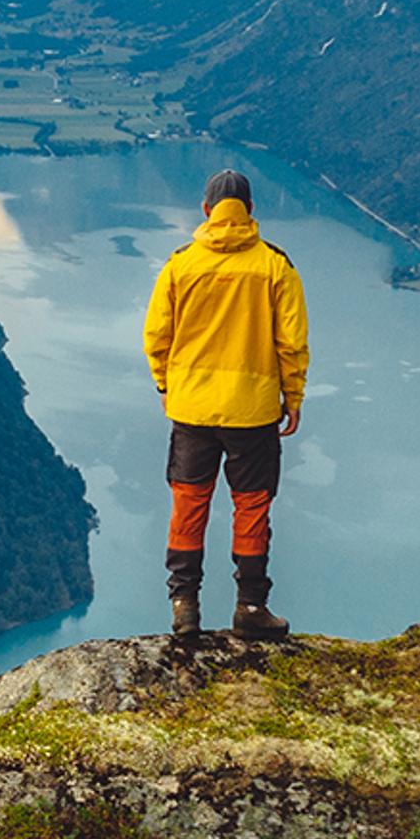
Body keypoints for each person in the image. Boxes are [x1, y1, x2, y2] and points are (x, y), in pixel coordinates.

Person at [141, 168, 309, 640]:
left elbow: (156, 335)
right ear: (250, 210)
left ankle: (184, 606)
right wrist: (293, 396)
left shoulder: (181, 264)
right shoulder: (275, 266)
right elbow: (291, 342)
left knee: (188, 504)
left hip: (192, 408)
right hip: (253, 411)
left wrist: (166, 385)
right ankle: (251, 607)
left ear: (206, 210)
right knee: (251, 506)